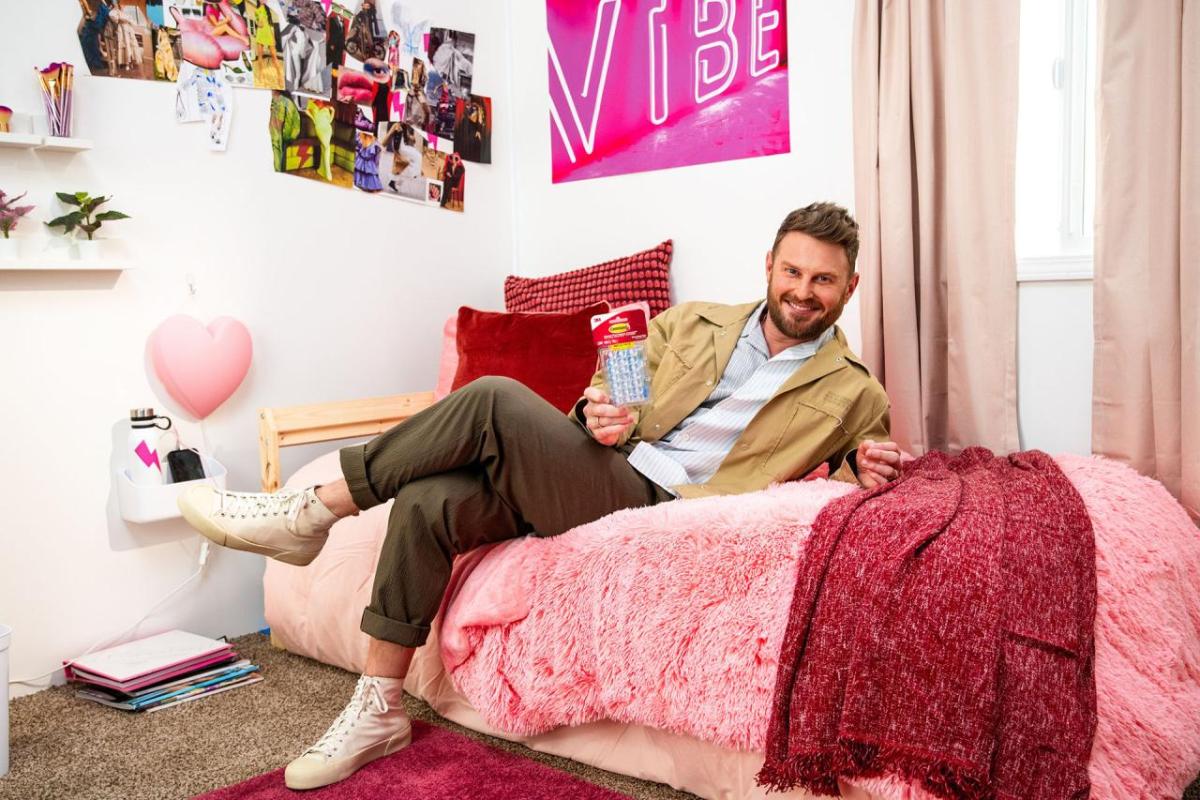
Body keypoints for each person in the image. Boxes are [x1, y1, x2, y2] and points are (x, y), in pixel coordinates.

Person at [177, 202, 901, 791]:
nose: (804, 292)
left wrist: (865, 465)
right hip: (603, 465)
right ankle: (378, 709)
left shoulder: (854, 390)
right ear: (769, 267)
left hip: (664, 506)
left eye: (824, 281)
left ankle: (312, 510)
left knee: (490, 398)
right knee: (428, 499)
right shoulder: (692, 323)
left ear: (850, 288)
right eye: (794, 271)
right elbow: (610, 396)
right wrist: (598, 414)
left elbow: (850, 481)